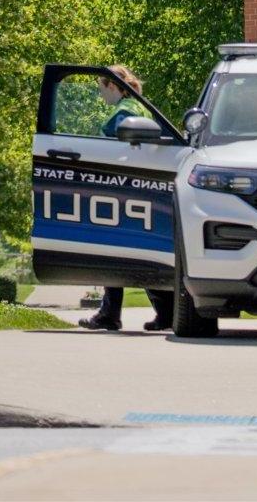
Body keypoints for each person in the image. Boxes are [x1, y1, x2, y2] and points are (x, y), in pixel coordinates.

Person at [78, 65, 173, 332]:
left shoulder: (124, 111)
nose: (101, 95)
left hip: (120, 188)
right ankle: (163, 312)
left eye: (101, 88)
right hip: (137, 188)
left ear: (111, 85)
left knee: (117, 248)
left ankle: (112, 314)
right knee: (136, 249)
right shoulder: (138, 106)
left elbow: (111, 151)